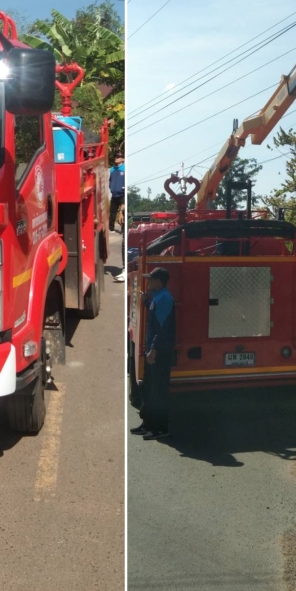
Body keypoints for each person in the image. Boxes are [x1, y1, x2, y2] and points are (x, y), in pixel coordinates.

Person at [130, 267, 176, 440]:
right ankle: (148, 424)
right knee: (149, 389)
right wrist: (146, 302)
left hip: (159, 352)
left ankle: (160, 428)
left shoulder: (164, 298)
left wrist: (154, 349)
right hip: (152, 349)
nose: (148, 282)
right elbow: (155, 313)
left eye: (151, 279)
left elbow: (163, 328)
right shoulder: (157, 297)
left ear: (159, 281)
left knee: (158, 391)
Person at [109, 153, 125, 232]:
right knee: (112, 212)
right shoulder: (112, 169)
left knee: (123, 212)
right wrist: (111, 188)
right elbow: (110, 180)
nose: (116, 158)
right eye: (116, 157)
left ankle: (123, 228)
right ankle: (111, 228)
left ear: (123, 159)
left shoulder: (125, 168)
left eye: (119, 157)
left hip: (122, 194)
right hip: (114, 194)